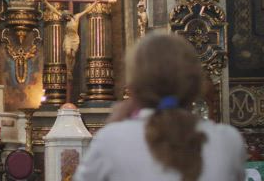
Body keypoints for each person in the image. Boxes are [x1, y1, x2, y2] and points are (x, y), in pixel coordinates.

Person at [74, 33, 246, 181]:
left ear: (134, 88)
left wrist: (112, 125)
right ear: (196, 84)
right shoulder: (228, 140)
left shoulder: (111, 140)